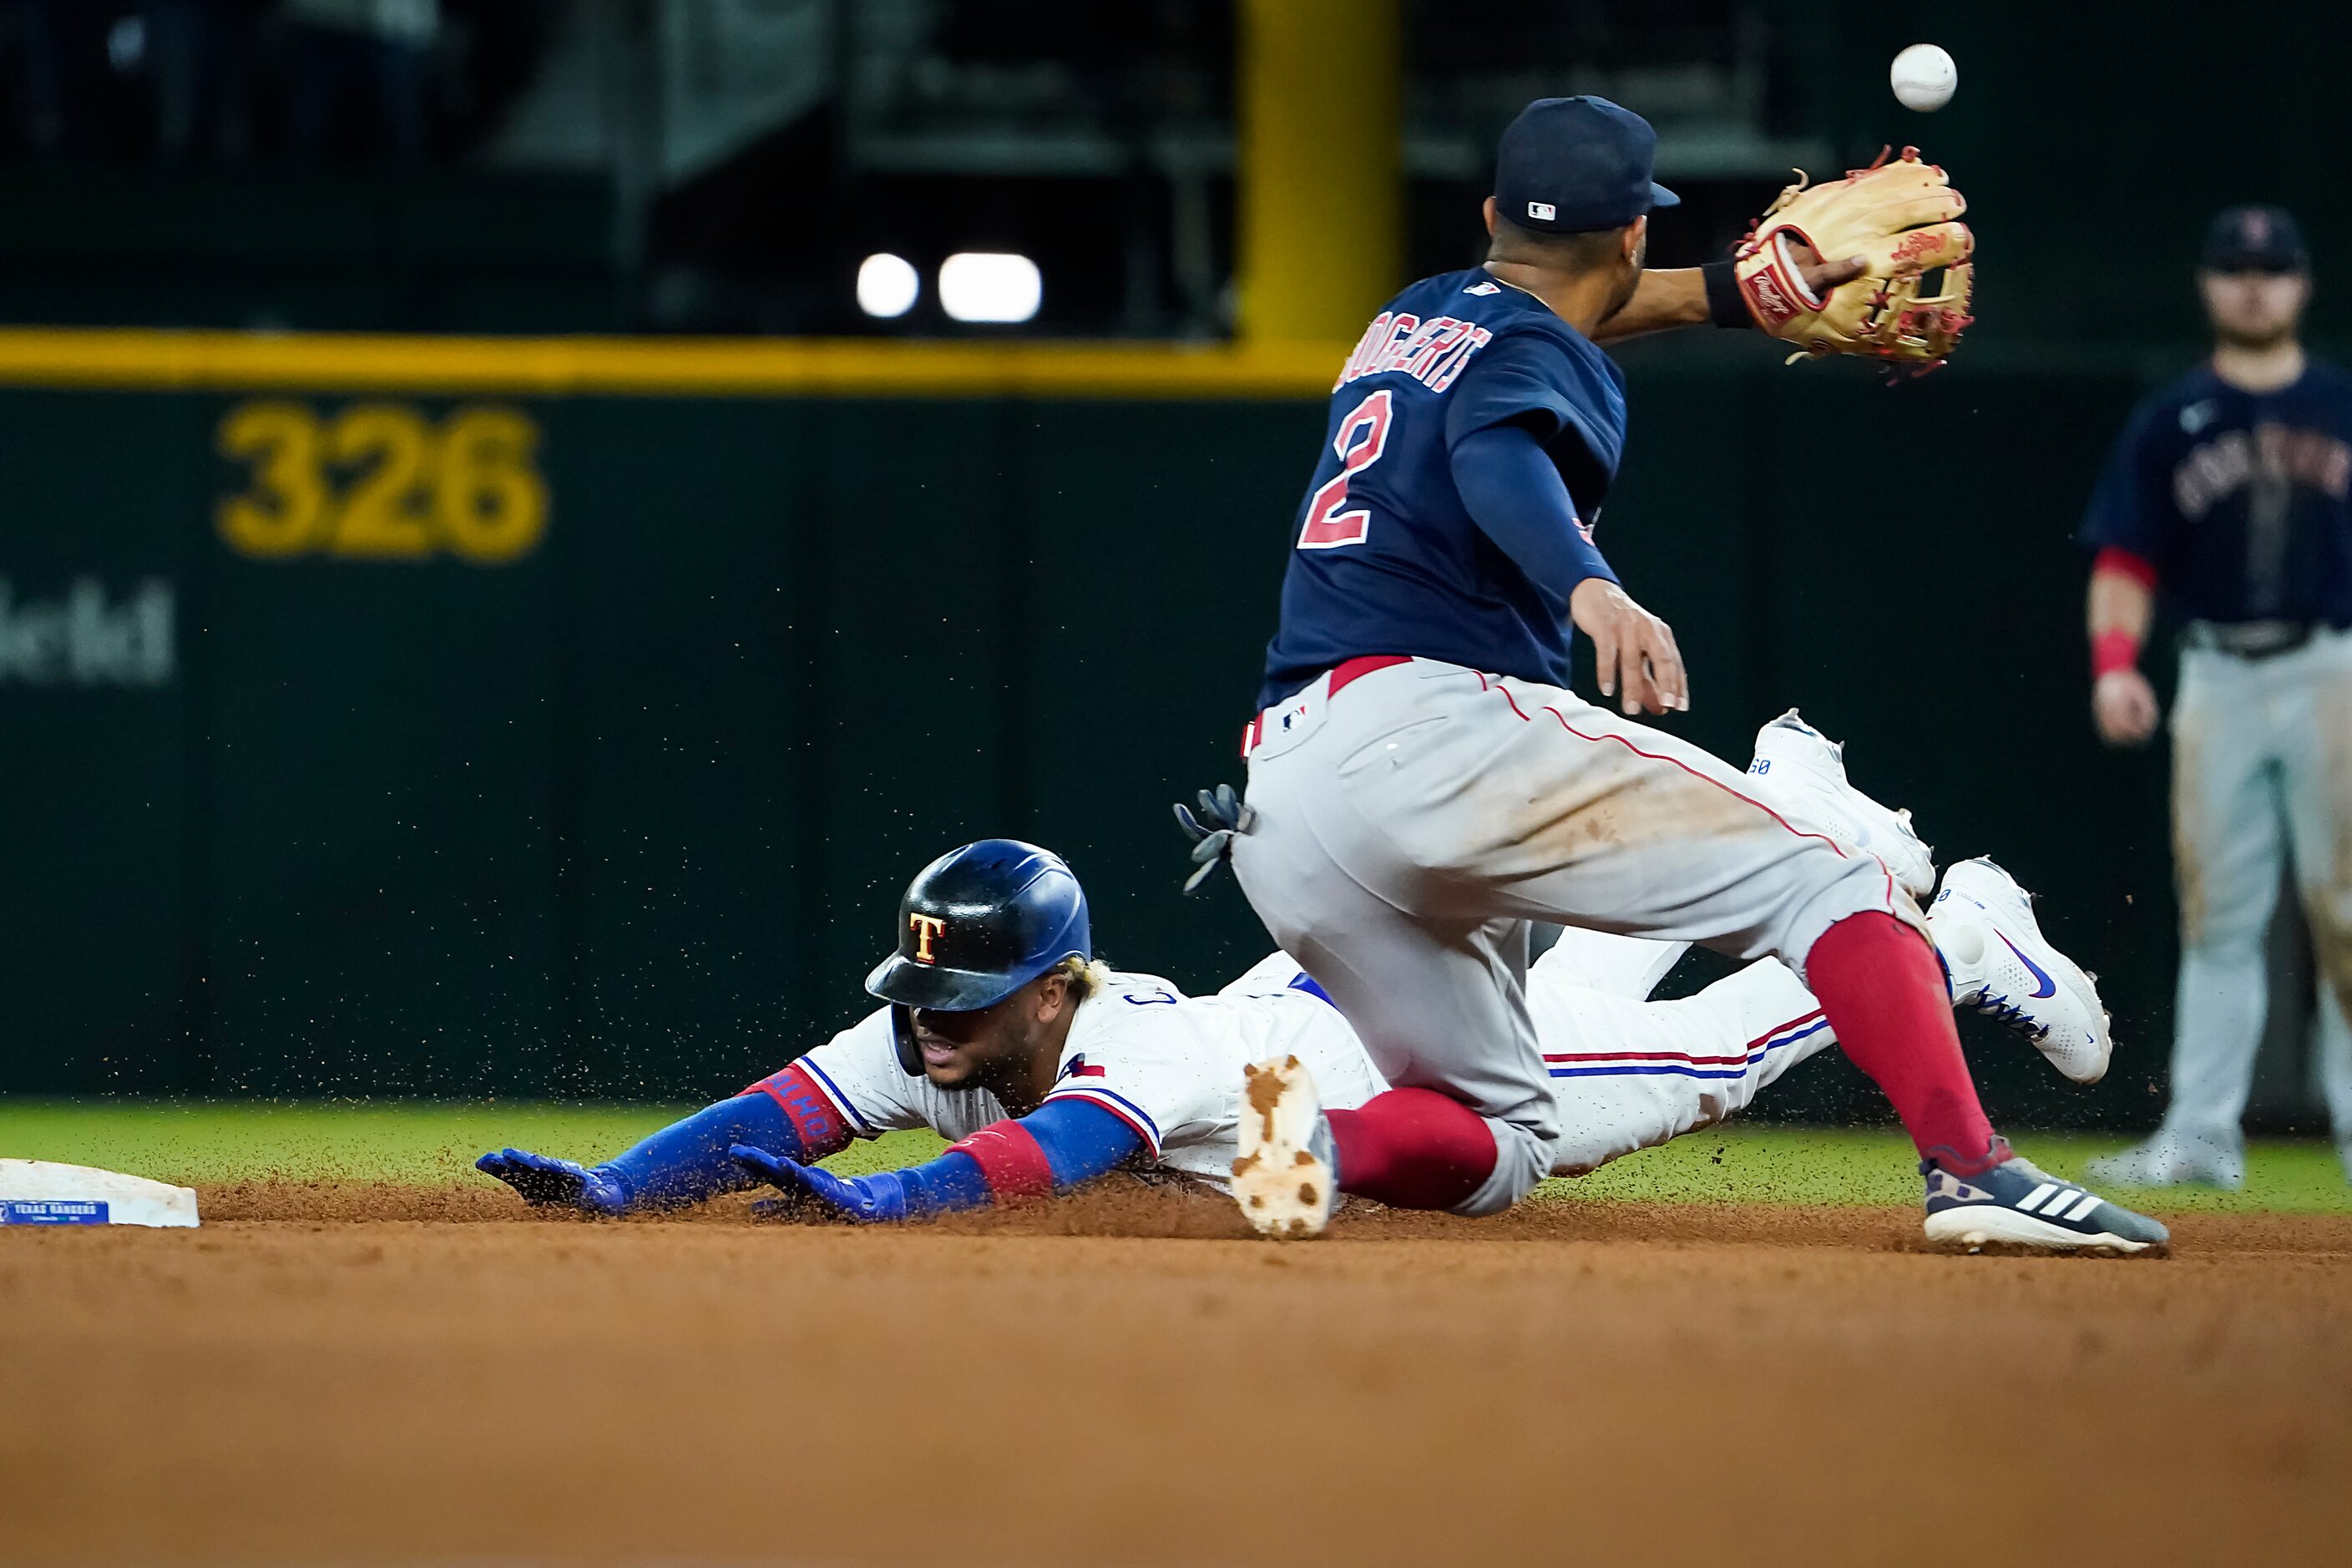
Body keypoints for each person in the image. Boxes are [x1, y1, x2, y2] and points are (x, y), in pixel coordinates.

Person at [1211, 94, 2162, 1249]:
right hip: (1431, 732)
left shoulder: (1408, 317)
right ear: (1630, 234)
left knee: (1501, 1136)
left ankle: (1305, 1142)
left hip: (1291, 806)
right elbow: (1499, 450)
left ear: (1490, 213)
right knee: (1834, 877)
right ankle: (1973, 1171)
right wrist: (1589, 585)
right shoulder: (1541, 358)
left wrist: (1730, 293)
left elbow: (1551, 321)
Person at [478, 714, 2163, 1253]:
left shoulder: (1130, 1035)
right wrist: (622, 1187)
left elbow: (1050, 1158)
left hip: (1367, 1084)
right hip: (1327, 999)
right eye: (921, 1006)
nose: (929, 1031)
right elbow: (789, 1105)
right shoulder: (947, 1018)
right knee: (1581, 943)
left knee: (1692, 1064)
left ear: (1052, 992)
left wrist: (886, 1204)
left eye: (966, 1008)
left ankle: (1958, 941)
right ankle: (1794, 803)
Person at [2080, 205, 2352, 1190]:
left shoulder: (2341, 405)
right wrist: (2117, 661)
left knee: (2349, 915)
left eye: (2271, 270)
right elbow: (2125, 555)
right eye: (2236, 269)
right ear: (2209, 284)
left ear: (2300, 285)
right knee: (2218, 915)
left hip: (2330, 669)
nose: (2253, 285)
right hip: (2218, 674)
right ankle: (2201, 1139)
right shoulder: (2172, 418)